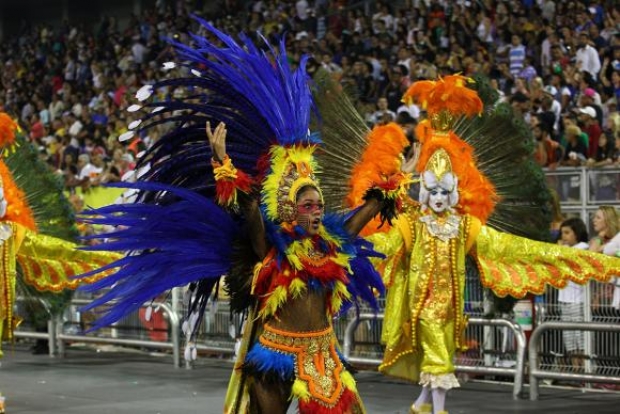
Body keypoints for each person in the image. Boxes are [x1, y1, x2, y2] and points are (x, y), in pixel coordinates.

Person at [75, 21, 412, 414]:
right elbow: (249, 208)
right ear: (289, 210)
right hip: (276, 354)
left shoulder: (332, 245)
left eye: (319, 206)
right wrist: (223, 165)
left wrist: (393, 182)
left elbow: (361, 216)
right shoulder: (271, 248)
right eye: (309, 206)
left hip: (322, 354)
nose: (317, 212)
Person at [366, 76, 620, 414]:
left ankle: (426, 404)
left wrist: (579, 259)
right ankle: (433, 406)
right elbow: (381, 244)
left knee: (438, 348)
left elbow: (512, 248)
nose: (440, 198)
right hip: (420, 304)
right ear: (426, 192)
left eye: (445, 191)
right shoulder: (412, 225)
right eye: (434, 191)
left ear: (453, 193)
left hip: (450, 307)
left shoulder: (464, 226)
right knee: (436, 350)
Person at [557, 218, 589, 372]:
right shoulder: (566, 250)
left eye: (567, 232)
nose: (563, 236)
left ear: (577, 233)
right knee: (569, 338)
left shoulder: (583, 247)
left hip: (579, 300)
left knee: (580, 337)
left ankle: (585, 369)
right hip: (564, 299)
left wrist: (560, 250)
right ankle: (576, 369)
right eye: (562, 233)